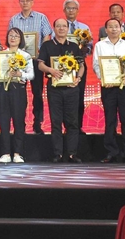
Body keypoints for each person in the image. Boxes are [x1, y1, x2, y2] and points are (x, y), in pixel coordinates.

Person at [38, 19, 84, 163]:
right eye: (58, 26)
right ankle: (57, 154)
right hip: (54, 89)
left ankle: (71, 154)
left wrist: (78, 78)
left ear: (68, 28)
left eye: (64, 26)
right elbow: (40, 65)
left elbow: (81, 65)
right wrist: (50, 70)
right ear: (54, 28)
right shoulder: (47, 45)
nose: (61, 28)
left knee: (73, 122)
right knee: (56, 121)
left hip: (72, 88)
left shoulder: (74, 46)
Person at [94, 18, 125, 164]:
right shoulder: (100, 45)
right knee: (110, 119)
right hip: (108, 87)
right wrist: (103, 78)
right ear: (105, 30)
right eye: (110, 27)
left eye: (116, 26)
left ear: (121, 29)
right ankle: (111, 152)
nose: (113, 29)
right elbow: (96, 65)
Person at [7, 0, 52, 134]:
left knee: (37, 93)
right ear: (19, 2)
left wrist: (41, 52)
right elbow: (10, 38)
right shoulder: (14, 19)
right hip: (18, 61)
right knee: (18, 92)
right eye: (22, 1)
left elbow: (47, 36)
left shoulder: (41, 17)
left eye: (28, 0)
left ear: (32, 2)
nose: (25, 3)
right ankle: (19, 123)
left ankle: (37, 122)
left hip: (36, 60)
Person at [0, 27, 34, 163]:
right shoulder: (1, 54)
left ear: (20, 39)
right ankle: (5, 152)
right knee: (3, 121)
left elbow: (31, 74)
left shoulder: (25, 56)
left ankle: (18, 153)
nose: (13, 38)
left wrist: (20, 74)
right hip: (2, 90)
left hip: (18, 90)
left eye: (16, 36)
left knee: (19, 121)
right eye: (10, 35)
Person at [63, 0, 92, 133]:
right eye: (68, 8)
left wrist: (85, 49)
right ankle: (66, 127)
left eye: (73, 8)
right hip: (63, 65)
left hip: (80, 65)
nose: (71, 11)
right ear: (64, 10)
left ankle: (78, 127)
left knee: (79, 96)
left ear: (78, 11)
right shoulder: (60, 26)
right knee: (65, 97)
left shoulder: (84, 28)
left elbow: (90, 47)